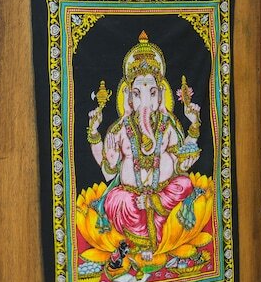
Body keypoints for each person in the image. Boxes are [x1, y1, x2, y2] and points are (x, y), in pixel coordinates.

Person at [86, 31, 203, 260]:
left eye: (152, 93)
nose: (145, 101)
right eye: (138, 94)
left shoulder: (167, 124)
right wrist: (97, 138)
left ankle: (157, 221)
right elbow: (108, 173)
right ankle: (140, 240)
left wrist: (194, 125)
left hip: (163, 197)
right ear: (129, 98)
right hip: (131, 201)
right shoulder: (121, 129)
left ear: (160, 96)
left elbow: (183, 162)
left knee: (185, 184)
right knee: (115, 200)